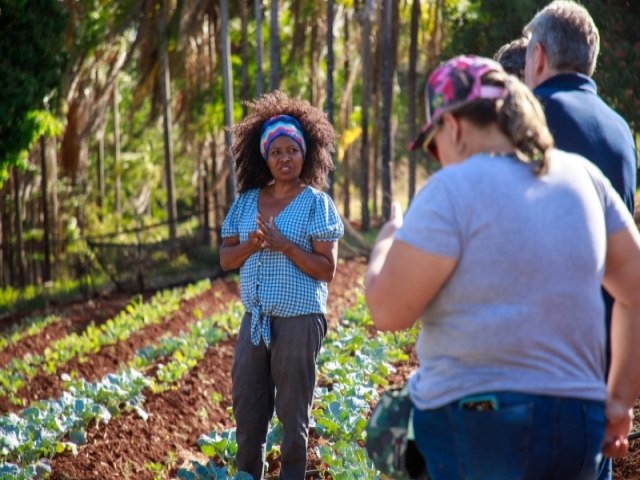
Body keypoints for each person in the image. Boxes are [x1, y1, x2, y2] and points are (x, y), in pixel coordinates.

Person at [365, 55, 640, 480]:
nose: (439, 158)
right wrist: (619, 400)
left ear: (452, 127)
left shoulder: (452, 189)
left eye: (434, 145)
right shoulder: (584, 177)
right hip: (576, 425)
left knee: (386, 429)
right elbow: (635, 291)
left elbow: (388, 311)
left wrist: (385, 243)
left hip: (478, 422)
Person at [523, 3, 638, 477]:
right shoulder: (619, 129)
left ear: (540, 56)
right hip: (603, 351)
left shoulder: (535, 119)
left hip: (538, 360)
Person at [219, 90, 344, 480]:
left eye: (292, 150)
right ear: (264, 157)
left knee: (294, 415)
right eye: (276, 152)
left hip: (298, 321)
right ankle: (247, 474)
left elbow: (327, 269)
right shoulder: (245, 203)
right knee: (248, 407)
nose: (285, 158)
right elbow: (225, 259)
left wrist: (285, 246)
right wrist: (251, 245)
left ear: (305, 154)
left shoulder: (316, 204)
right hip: (255, 321)